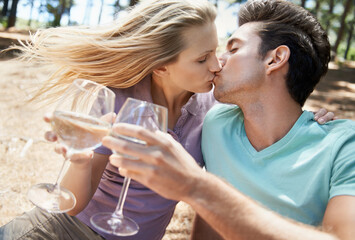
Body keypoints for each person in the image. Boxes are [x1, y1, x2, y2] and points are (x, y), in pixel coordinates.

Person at [0, 0, 333, 239]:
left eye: (216, 51)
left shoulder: (214, 109)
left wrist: (310, 121)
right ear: (160, 66)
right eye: (202, 59)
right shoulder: (116, 98)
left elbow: (269, 116)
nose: (217, 65)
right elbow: (70, 206)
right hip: (63, 232)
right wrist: (81, 159)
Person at [100, 0, 355, 240]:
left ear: (274, 59)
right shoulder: (216, 124)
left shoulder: (344, 145)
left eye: (233, 48)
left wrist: (198, 188)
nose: (218, 62)